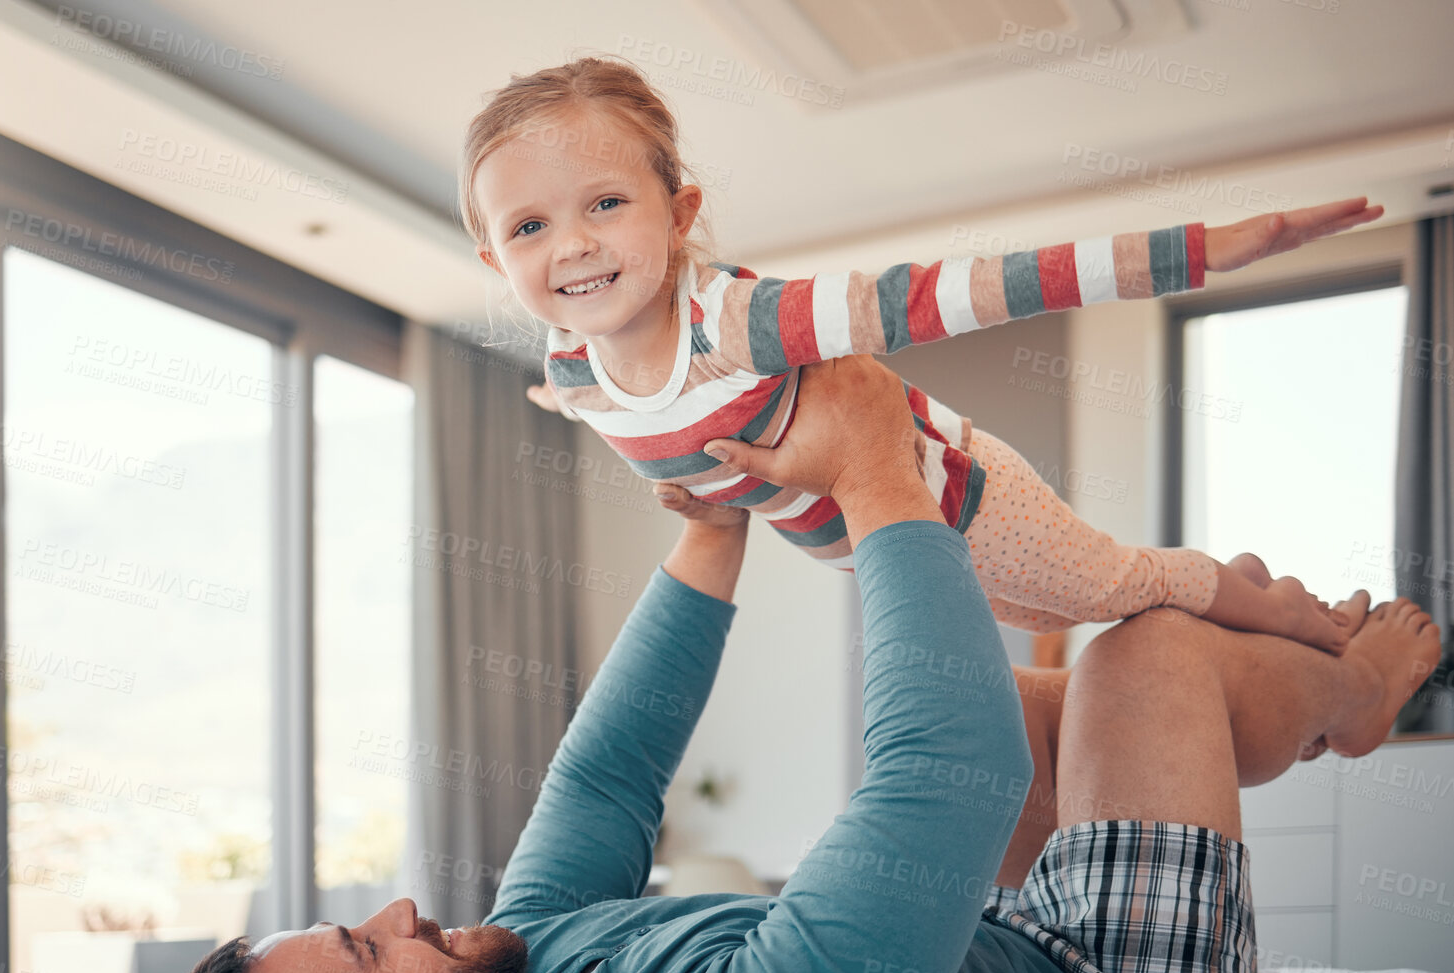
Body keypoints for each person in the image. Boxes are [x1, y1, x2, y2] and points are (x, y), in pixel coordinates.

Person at [165, 354, 1442, 973]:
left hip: (1002, 944)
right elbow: (949, 776)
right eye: (363, 949)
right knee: (1139, 651)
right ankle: (1353, 700)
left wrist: (706, 528)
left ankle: (1267, 677)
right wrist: (877, 467)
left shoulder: (518, 955)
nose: (397, 910)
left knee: (1030, 697)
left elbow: (605, 778)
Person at [459, 55, 1385, 654]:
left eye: (606, 204)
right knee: (1059, 617)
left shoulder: (740, 323)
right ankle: (1250, 582)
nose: (572, 246)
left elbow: (958, 290)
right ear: (496, 258)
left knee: (1121, 587)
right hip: (878, 555)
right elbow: (573, 395)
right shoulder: (574, 366)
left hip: (964, 504)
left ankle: (1284, 614)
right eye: (531, 225)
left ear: (680, 214)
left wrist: (1196, 251)